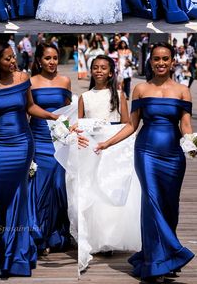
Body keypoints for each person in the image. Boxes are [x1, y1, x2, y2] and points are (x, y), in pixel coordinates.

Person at [95, 42, 195, 283]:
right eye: (156, 59)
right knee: (152, 203)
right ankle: (158, 262)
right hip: (146, 152)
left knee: (170, 205)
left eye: (165, 59)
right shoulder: (140, 89)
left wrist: (192, 144)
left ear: (173, 62)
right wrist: (108, 143)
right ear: (150, 62)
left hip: (173, 155)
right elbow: (132, 125)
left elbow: (186, 126)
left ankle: (166, 257)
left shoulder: (183, 90)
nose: (161, 63)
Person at [0, 40, 59, 280]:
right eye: (7, 58)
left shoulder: (23, 77)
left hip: (22, 144)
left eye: (13, 55)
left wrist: (51, 116)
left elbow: (30, 107)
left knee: (18, 197)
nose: (13, 60)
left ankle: (12, 257)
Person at [78, 55, 141, 271]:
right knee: (94, 188)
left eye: (103, 68)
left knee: (111, 187)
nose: (99, 71)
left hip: (112, 145)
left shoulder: (119, 95)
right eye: (95, 67)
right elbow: (80, 123)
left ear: (111, 72)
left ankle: (112, 236)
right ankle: (96, 237)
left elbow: (126, 122)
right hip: (93, 145)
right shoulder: (84, 97)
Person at [28, 43, 72, 253]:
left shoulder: (65, 81)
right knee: (39, 188)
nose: (52, 62)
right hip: (38, 138)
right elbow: (27, 110)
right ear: (39, 60)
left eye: (55, 58)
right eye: (47, 58)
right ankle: (39, 236)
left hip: (60, 140)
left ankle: (56, 234)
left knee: (58, 187)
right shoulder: (30, 82)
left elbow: (69, 110)